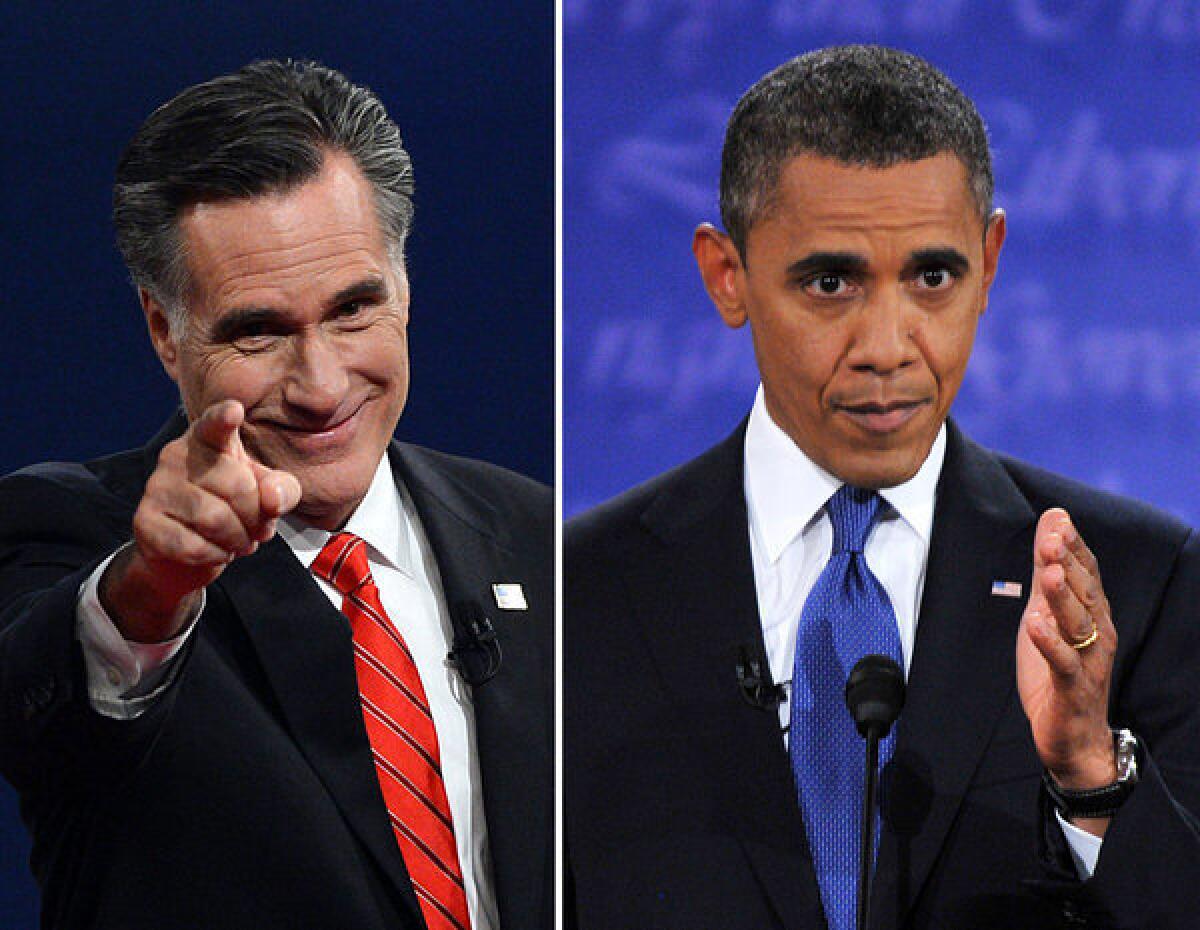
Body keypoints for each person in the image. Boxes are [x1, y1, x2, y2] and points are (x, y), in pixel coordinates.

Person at [565, 45, 1200, 929]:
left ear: (990, 261)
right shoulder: (582, 594)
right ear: (727, 276)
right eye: (832, 282)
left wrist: (1089, 770)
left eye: (933, 278)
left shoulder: (1144, 582)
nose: (889, 347)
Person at [0, 60, 551, 930]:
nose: (322, 384)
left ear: (404, 287)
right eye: (258, 331)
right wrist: (152, 588)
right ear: (164, 332)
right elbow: (42, 705)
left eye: (353, 310)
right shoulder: (74, 532)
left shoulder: (536, 535)